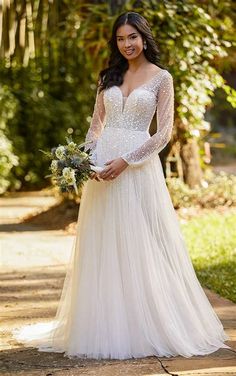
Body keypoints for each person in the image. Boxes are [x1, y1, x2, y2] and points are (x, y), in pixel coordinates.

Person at [14, 11, 230, 360]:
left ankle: (148, 322)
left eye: (132, 37)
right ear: (115, 43)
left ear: (144, 38)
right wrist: (88, 160)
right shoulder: (108, 78)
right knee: (104, 242)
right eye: (120, 39)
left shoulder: (162, 78)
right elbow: (95, 127)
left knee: (139, 242)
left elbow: (163, 133)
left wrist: (126, 161)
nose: (127, 44)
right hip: (102, 168)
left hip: (137, 168)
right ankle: (104, 322)